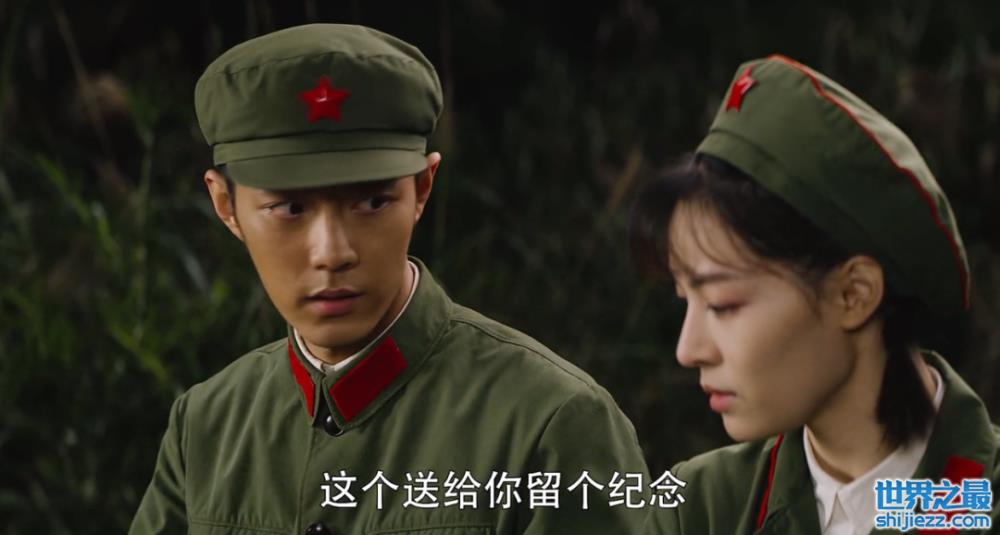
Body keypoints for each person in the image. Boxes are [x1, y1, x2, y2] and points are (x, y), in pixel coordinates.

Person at [130, 23, 649, 534]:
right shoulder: (205, 428)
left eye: (373, 201)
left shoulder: (549, 423)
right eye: (289, 208)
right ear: (226, 205)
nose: (333, 252)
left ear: (422, 188)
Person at [632, 55, 999, 534]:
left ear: (854, 293)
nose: (688, 350)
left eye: (722, 304)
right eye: (686, 301)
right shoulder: (699, 509)